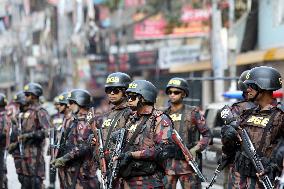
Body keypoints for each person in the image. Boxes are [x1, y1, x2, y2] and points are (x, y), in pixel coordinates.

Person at [231, 66, 284, 188]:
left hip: (264, 180)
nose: (247, 89)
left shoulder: (280, 114)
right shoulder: (248, 113)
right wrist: (229, 133)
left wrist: (274, 166)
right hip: (241, 179)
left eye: (251, 86)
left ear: (263, 87)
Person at [115, 80, 173, 188]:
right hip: (127, 180)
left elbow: (164, 150)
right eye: (128, 97)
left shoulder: (159, 119)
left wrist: (132, 155)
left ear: (144, 98)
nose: (129, 100)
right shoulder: (131, 119)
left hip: (148, 181)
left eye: (132, 97)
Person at [162, 77, 211, 189]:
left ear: (183, 94)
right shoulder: (163, 115)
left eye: (176, 92)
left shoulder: (193, 112)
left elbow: (207, 135)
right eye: (170, 92)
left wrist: (195, 149)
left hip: (188, 166)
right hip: (168, 166)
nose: (172, 95)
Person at [91, 72, 132, 188]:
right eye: (109, 90)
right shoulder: (111, 113)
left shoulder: (131, 113)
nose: (112, 93)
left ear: (125, 92)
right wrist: (95, 140)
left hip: (124, 171)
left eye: (116, 90)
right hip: (107, 168)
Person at [51, 89, 99, 188]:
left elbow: (83, 146)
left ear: (80, 102)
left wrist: (64, 158)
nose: (68, 105)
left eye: (71, 102)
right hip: (73, 171)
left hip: (83, 173)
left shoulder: (85, 122)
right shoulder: (75, 120)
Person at [220, 70, 256, 189]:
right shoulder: (236, 110)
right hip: (239, 165)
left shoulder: (274, 111)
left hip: (259, 167)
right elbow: (227, 140)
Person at [16, 82, 52, 189]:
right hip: (25, 156)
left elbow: (47, 131)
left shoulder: (40, 112)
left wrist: (29, 135)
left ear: (34, 95)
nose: (25, 97)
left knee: (36, 183)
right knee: (25, 183)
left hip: (36, 158)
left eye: (27, 95)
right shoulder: (28, 112)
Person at [0, 93, 10, 189]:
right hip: (3, 148)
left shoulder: (3, 116)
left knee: (1, 172)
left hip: (1, 148)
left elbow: (3, 134)